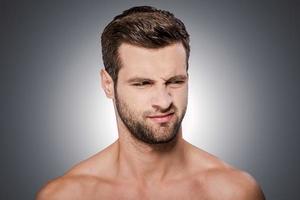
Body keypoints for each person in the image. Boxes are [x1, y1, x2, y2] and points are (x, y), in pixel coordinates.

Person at [36, 6, 265, 199]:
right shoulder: (68, 195)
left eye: (175, 81)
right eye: (143, 83)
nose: (163, 102)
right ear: (108, 85)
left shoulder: (233, 192)